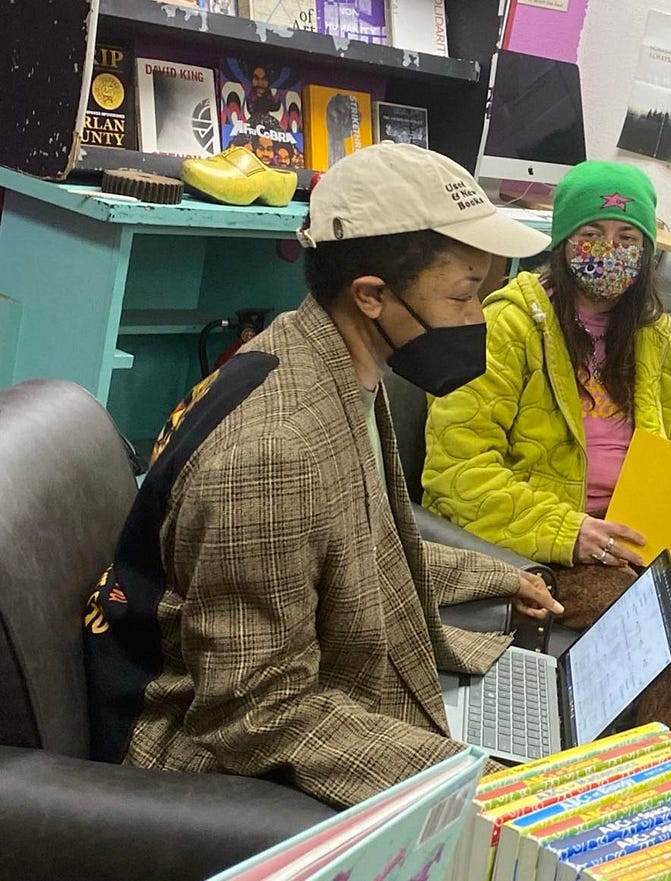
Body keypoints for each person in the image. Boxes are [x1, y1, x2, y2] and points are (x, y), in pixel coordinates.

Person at [83, 143, 563, 809]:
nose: (477, 318)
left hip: (283, 702)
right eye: (464, 295)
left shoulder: (330, 360)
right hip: (196, 769)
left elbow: (353, 546)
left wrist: (500, 576)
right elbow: (254, 716)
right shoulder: (274, 450)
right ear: (371, 295)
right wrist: (481, 782)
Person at [421, 160, 671, 814]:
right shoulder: (509, 327)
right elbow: (456, 472)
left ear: (648, 252)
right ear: (562, 241)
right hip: (574, 554)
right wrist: (571, 530)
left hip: (665, 547)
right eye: (594, 231)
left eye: (628, 237)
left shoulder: (657, 341)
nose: (610, 250)